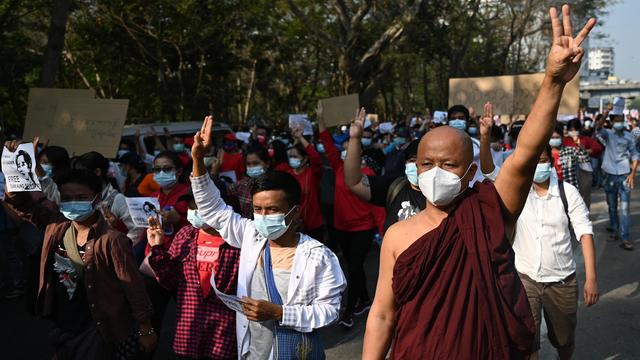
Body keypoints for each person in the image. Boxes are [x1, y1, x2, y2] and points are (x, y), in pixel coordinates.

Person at [362, 6, 595, 358]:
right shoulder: (397, 235)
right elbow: (381, 314)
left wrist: (553, 81)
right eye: (426, 163)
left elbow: (526, 154)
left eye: (448, 164)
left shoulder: (490, 209)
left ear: (470, 173)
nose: (434, 172)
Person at [190, 116, 346, 359]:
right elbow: (213, 210)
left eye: (272, 210)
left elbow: (330, 312)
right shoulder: (251, 235)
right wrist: (198, 159)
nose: (262, 216)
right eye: (257, 209)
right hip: (253, 352)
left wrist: (279, 313)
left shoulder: (318, 256)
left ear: (295, 212)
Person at [3, 156, 156, 358]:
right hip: (62, 323)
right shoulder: (55, 227)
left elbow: (132, 285)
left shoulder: (112, 240)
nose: (73, 203)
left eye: (81, 197)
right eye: (66, 198)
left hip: (97, 327)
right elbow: (22, 205)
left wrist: (145, 328)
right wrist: (13, 167)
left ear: (97, 199)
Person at [513, 146, 599, 360]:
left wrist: (591, 279)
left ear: (550, 162)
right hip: (525, 280)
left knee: (564, 339)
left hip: (562, 282)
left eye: (542, 160)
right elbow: (488, 172)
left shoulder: (567, 192)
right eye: (533, 160)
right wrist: (485, 140)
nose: (537, 166)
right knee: (527, 340)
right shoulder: (517, 192)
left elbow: (585, 233)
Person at [147, 191, 241, 359]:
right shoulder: (185, 235)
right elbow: (169, 280)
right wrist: (158, 248)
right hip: (189, 325)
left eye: (200, 207)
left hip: (224, 329)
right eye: (191, 207)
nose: (194, 212)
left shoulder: (238, 240)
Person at [318, 108, 379, 328]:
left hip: (363, 229)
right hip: (341, 227)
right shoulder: (337, 168)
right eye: (343, 149)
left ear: (359, 152)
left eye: (349, 149)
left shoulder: (369, 175)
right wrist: (321, 121)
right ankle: (364, 299)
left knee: (353, 268)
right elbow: (326, 144)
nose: (345, 153)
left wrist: (384, 232)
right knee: (355, 266)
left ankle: (349, 311)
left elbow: (376, 206)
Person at [344, 109, 425, 232]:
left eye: (425, 162)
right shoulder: (395, 188)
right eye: (412, 160)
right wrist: (355, 139)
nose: (417, 165)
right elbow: (354, 182)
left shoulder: (445, 196)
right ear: (405, 163)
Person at [596, 107, 640, 250]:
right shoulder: (608, 134)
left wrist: (633, 173)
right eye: (617, 121)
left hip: (624, 175)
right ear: (612, 122)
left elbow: (635, 154)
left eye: (621, 120)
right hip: (609, 175)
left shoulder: (629, 136)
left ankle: (625, 237)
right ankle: (615, 230)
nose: (619, 123)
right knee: (612, 206)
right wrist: (606, 113)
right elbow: (598, 127)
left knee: (625, 209)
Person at [285, 127, 325, 241]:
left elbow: (316, 157)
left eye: (295, 156)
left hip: (313, 224)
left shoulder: (312, 173)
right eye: (290, 156)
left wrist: (300, 138)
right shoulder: (287, 173)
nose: (292, 159)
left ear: (304, 159)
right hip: (292, 225)